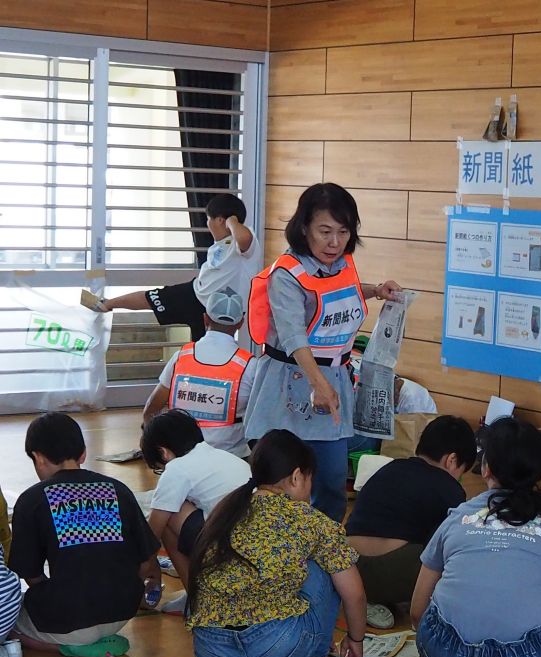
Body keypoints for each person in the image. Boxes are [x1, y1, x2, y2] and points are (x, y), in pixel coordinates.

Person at [245, 183, 403, 522]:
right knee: (282, 482)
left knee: (332, 480)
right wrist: (318, 384)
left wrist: (376, 290)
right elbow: (293, 336)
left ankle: (324, 544)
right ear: (304, 228)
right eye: (325, 231)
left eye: (343, 232)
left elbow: (336, 291)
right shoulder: (286, 273)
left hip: (333, 377)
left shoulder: (342, 263)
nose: (335, 242)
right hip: (290, 382)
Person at [187, 429, 366, 657]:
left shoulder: (225, 513)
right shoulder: (309, 520)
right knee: (325, 568)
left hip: (211, 655)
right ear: (297, 477)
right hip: (274, 648)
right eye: (309, 479)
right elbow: (354, 594)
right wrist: (356, 640)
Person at [410, 417, 541, 657]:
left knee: (448, 630)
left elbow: (418, 607)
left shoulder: (458, 516)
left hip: (443, 656)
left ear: (485, 468)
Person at [9, 413, 160, 657]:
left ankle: (67, 648)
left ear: (38, 458)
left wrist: (60, 597)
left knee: (9, 622)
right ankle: (90, 639)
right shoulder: (118, 490)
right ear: (83, 454)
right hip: (122, 612)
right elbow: (147, 562)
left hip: (67, 620)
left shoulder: (32, 500)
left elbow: (31, 575)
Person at [346, 415, 476, 629]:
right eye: (461, 471)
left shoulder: (392, 466)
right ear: (451, 460)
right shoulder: (448, 487)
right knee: (454, 554)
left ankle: (364, 596)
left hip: (347, 566)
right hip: (378, 573)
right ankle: (374, 598)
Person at [83, 193, 261, 341]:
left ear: (221, 220)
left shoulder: (244, 242)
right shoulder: (220, 244)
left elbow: (244, 239)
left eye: (209, 219)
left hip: (218, 312)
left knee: (205, 354)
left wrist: (232, 221)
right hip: (194, 293)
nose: (207, 224)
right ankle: (107, 304)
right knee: (152, 297)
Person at [140, 410, 251, 595]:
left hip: (231, 549)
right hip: (258, 543)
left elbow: (152, 532)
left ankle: (196, 598)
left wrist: (149, 566)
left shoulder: (176, 468)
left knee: (167, 516)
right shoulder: (221, 455)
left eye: (160, 469)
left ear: (163, 453)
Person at [142, 288, 257, 457]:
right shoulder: (250, 365)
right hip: (232, 457)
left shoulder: (181, 357)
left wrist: (157, 450)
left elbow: (151, 410)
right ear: (241, 322)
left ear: (205, 319)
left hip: (183, 457)